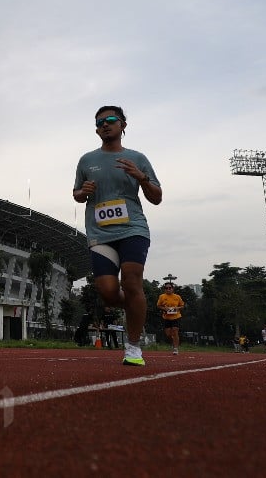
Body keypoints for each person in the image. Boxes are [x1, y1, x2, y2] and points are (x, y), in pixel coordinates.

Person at [74, 106, 162, 366]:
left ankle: (133, 348)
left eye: (111, 120)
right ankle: (137, 306)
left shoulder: (137, 158)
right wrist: (83, 192)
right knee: (109, 294)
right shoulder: (86, 160)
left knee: (132, 282)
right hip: (100, 232)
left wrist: (141, 177)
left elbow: (156, 198)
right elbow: (77, 194)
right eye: (100, 122)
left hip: (133, 228)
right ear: (96, 129)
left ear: (123, 125)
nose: (105, 124)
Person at [156, 282, 185, 355]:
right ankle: (173, 342)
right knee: (168, 334)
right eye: (166, 288)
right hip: (166, 317)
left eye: (170, 288)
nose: (168, 289)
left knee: (175, 331)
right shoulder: (162, 296)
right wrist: (164, 308)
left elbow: (182, 306)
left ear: (172, 289)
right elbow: (158, 305)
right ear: (164, 289)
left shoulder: (177, 297)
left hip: (176, 317)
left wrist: (177, 308)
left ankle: (176, 348)